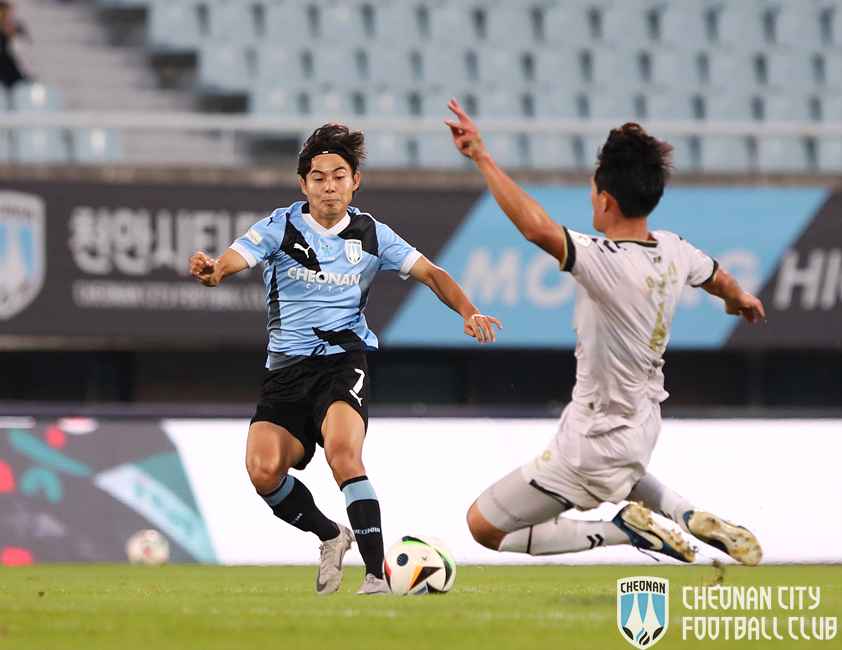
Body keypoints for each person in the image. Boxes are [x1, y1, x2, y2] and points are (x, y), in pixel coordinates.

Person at [445, 98, 765, 566]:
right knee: (620, 471)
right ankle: (684, 512)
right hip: (644, 427)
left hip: (592, 440)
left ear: (606, 200)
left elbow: (536, 228)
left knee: (482, 525)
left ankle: (620, 531)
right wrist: (738, 299)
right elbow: (720, 278)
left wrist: (482, 157)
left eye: (593, 190)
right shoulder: (674, 249)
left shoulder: (605, 260)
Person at [189, 124, 502, 595]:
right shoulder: (280, 226)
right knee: (263, 471)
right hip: (285, 373)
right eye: (319, 178)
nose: (329, 186)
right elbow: (232, 260)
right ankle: (331, 535)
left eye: (339, 176)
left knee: (343, 454)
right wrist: (213, 271)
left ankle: (377, 575)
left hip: (342, 364)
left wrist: (467, 310)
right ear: (303, 184)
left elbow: (431, 273)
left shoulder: (372, 234)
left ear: (355, 181)